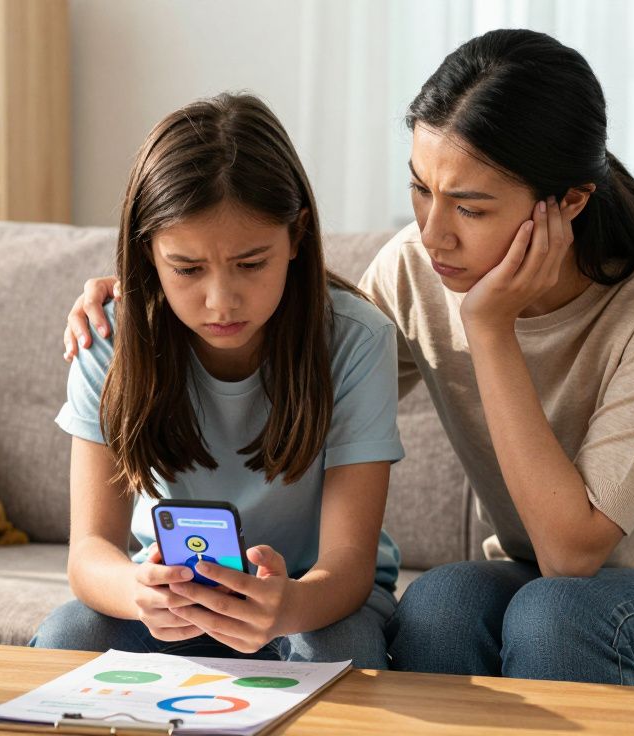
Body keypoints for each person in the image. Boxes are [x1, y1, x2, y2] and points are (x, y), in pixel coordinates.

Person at [61, 30, 634, 688]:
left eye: (470, 207)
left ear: (569, 201)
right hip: (536, 573)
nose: (434, 234)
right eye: (420, 189)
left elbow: (574, 552)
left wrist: (491, 329)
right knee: (441, 604)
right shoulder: (417, 268)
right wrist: (144, 292)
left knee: (554, 614)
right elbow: (307, 342)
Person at [30, 93, 405, 670]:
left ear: (297, 236)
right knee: (65, 637)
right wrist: (140, 591)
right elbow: (89, 553)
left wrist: (287, 605)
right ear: (147, 254)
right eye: (186, 269)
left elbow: (350, 566)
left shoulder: (356, 340)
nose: (220, 301)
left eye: (252, 264)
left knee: (342, 653)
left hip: (310, 603)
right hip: (168, 607)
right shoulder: (108, 336)